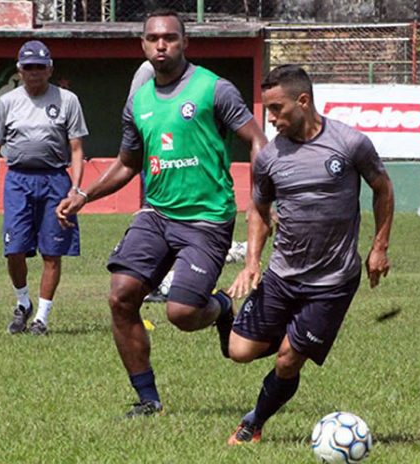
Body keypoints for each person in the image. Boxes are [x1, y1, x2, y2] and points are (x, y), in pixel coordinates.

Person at [56, 9, 267, 418]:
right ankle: (148, 399)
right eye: (153, 38)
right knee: (121, 297)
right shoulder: (139, 101)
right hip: (156, 214)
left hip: (206, 219)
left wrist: (261, 198)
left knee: (183, 314)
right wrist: (83, 194)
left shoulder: (213, 89)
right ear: (143, 45)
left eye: (169, 37)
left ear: (184, 42)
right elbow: (127, 163)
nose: (161, 45)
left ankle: (221, 307)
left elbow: (257, 140)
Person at [225, 64, 394, 445]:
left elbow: (383, 188)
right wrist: (252, 261)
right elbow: (258, 210)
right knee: (238, 351)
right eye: (267, 110)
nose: (271, 119)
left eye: (277, 109)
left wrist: (379, 246)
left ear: (303, 101)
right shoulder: (269, 158)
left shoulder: (350, 144)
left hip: (332, 282)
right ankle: (231, 314)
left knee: (287, 359)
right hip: (283, 275)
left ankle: (254, 421)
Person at [0, 40, 89, 336]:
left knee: (52, 252)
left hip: (55, 180)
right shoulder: (7, 102)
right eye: (28, 67)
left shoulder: (67, 100)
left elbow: (77, 149)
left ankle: (41, 317)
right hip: (18, 180)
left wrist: (75, 189)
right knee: (14, 249)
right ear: (19, 70)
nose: (34, 73)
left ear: (50, 69)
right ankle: (22, 302)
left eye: (40, 67)